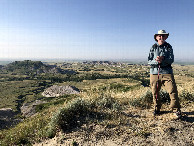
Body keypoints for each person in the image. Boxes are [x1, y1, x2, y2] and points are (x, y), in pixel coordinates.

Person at [148, 30, 182, 118]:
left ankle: (176, 109)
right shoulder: (153, 47)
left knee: (172, 90)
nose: (161, 37)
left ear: (166, 37)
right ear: (156, 37)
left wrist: (162, 60)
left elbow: (171, 59)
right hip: (155, 73)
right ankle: (157, 108)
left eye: (163, 36)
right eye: (159, 36)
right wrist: (156, 61)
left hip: (167, 72)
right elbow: (149, 60)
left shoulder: (168, 47)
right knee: (155, 92)